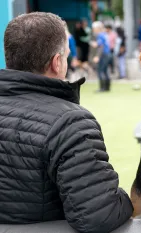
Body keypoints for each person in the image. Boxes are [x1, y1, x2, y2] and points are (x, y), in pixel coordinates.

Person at [1, 12, 133, 232]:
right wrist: (129, 198)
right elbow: (100, 216)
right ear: (56, 62)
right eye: (67, 55)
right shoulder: (71, 123)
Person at [91, 21, 111, 92]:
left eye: (94, 28)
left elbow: (101, 47)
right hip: (108, 54)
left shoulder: (100, 35)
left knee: (100, 71)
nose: (93, 30)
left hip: (103, 55)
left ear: (97, 28)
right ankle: (107, 88)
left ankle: (102, 88)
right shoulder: (104, 34)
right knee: (105, 71)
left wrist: (97, 56)